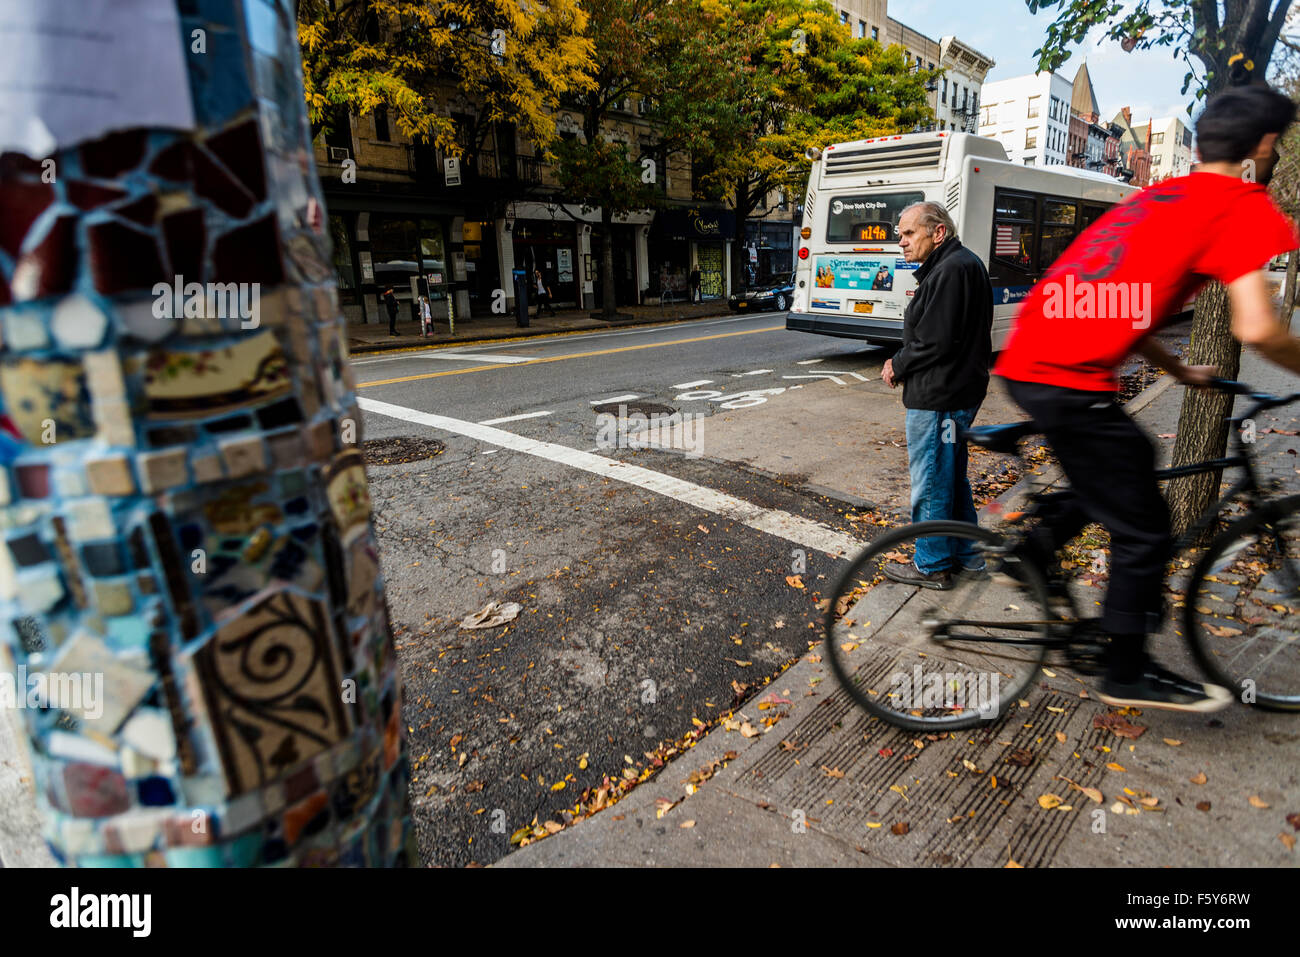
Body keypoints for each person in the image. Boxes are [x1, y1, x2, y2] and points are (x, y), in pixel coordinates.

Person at [994, 84, 1300, 712]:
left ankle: (1032, 552)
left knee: (1117, 471)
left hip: (1030, 360)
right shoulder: (1238, 204)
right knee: (1145, 528)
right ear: (1265, 145)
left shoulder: (1158, 198)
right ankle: (1124, 670)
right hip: (1067, 378)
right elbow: (1259, 327)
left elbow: (1128, 305)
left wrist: (1181, 370)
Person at [882, 202, 993, 589]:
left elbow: (935, 341)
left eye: (909, 233)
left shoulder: (951, 269)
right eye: (900, 235)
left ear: (938, 232)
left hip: (940, 397)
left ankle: (931, 565)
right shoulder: (958, 264)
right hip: (954, 391)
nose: (902, 242)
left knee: (931, 481)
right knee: (950, 476)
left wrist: (897, 364)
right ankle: (968, 555)